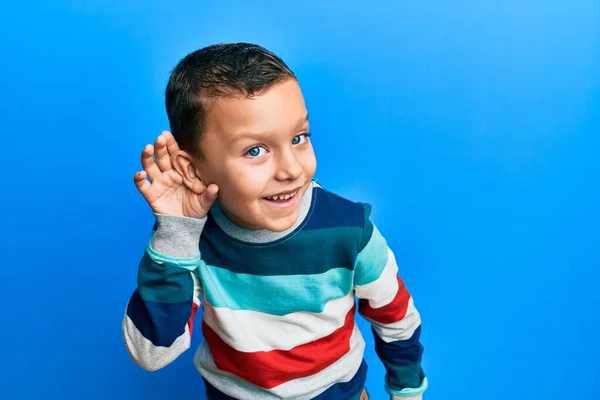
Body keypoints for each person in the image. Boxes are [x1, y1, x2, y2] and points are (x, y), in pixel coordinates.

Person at [122, 42, 427, 400]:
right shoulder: (186, 243)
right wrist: (176, 231)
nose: (292, 169)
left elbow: (396, 318)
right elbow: (151, 353)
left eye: (299, 138)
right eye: (256, 150)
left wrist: (407, 392)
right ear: (193, 170)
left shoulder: (349, 229)